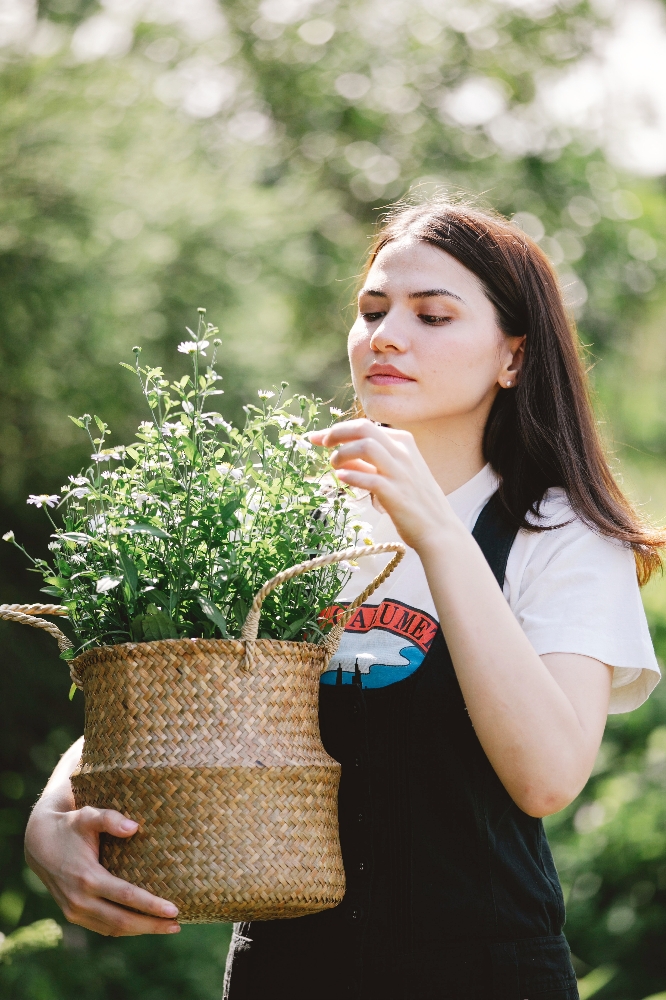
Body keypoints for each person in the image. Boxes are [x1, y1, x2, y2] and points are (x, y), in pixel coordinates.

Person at [25, 201, 662, 1000]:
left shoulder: (562, 533)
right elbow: (170, 694)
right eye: (372, 311)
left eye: (432, 314)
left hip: (485, 975)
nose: (386, 334)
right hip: (281, 975)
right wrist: (53, 811)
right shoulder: (284, 515)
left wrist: (434, 530)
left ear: (514, 357)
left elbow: (546, 779)